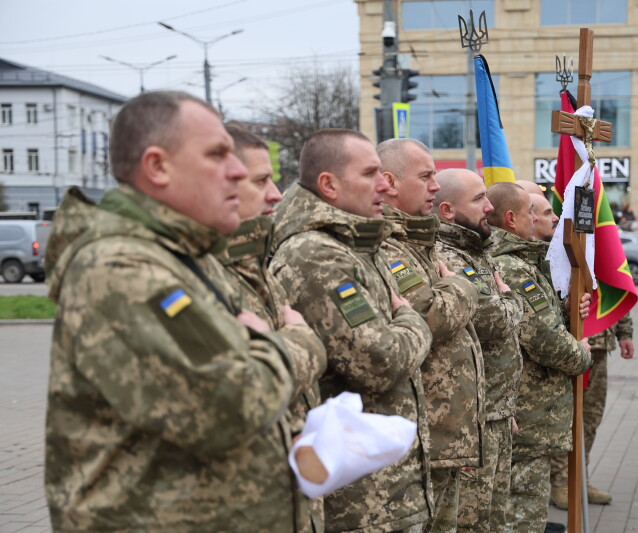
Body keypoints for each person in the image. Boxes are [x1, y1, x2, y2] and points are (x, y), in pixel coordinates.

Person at [44, 91, 315, 531]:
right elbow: (231, 405)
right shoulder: (124, 270)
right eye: (217, 154)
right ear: (157, 166)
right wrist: (292, 342)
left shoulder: (184, 255)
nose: (236, 171)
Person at [269, 129, 434, 533]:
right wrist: (413, 321)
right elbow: (380, 362)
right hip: (361, 501)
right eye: (370, 173)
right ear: (329, 184)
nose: (383, 184)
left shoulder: (351, 244)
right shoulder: (317, 254)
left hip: (384, 488)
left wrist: (402, 326)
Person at [216, 123, 327, 532]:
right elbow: (381, 357)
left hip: (290, 489)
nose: (277, 194)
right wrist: (299, 340)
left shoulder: (254, 265)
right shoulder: (189, 274)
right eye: (260, 180)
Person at [377, 139, 485, 533]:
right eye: (425, 176)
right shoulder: (390, 246)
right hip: (426, 435)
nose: (435, 185)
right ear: (389, 181)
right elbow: (428, 318)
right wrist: (463, 289)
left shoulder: (419, 240)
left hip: (446, 430)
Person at [486, 183, 593, 532]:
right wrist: (580, 355)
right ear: (511, 218)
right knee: (522, 513)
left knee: (525, 509)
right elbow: (543, 339)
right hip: (528, 413)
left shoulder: (525, 261)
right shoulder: (514, 267)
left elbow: (540, 321)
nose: (539, 219)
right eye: (533, 211)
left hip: (533, 414)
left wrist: (565, 311)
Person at [433, 168, 524, 533]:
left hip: (494, 414)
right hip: (472, 424)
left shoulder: (476, 250)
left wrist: (504, 406)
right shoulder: (449, 257)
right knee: (474, 523)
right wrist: (508, 298)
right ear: (447, 211)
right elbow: (494, 321)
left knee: (493, 521)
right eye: (478, 199)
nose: (490, 207)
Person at [550, 312, 635, 509]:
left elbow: (617, 288)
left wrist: (624, 333)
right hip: (571, 345)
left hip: (599, 348)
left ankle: (580, 478)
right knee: (566, 416)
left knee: (591, 417)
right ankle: (561, 481)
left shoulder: (603, 278)